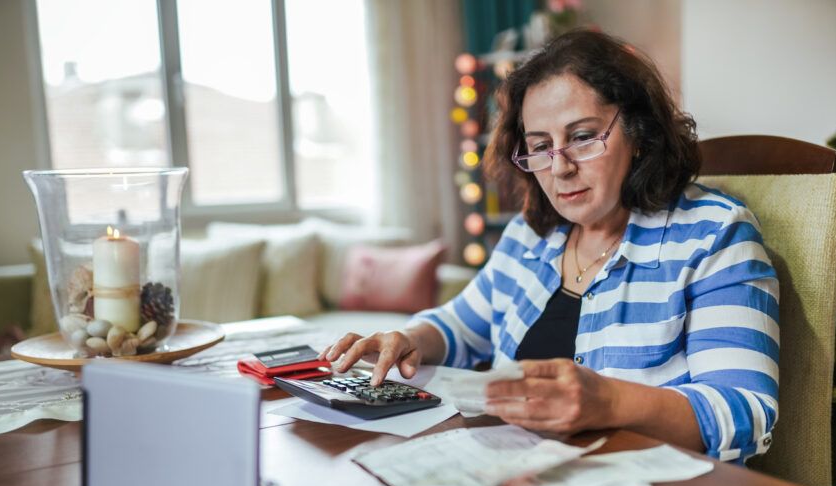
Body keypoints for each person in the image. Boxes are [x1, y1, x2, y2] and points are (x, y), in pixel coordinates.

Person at [320, 29, 779, 462]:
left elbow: (745, 412)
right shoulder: (532, 233)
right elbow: (464, 324)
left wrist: (610, 401)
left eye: (581, 138)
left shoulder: (714, 235)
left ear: (638, 133)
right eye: (540, 146)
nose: (559, 168)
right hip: (523, 476)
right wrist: (409, 339)